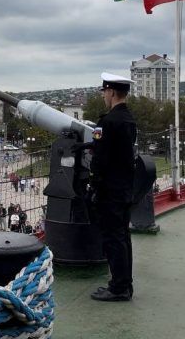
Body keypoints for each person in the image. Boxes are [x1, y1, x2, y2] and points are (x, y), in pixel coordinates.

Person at [82, 72, 137, 302]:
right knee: (123, 237)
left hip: (109, 190)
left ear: (112, 92)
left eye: (104, 91)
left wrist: (93, 184)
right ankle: (124, 283)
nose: (104, 95)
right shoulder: (129, 119)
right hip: (125, 187)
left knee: (112, 239)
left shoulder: (106, 122)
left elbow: (99, 157)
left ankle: (118, 288)